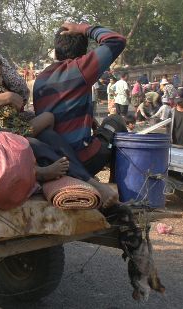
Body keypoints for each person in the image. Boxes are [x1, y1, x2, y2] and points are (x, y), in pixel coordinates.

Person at [33, 22, 127, 207]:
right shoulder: (80, 68)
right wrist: (83, 28)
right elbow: (117, 40)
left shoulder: (41, 78)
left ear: (56, 50)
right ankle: (120, 192)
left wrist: (87, 120)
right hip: (83, 160)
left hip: (51, 156)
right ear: (83, 53)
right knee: (115, 120)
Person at [0, 53, 55, 137]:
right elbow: (17, 108)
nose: (2, 78)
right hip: (17, 132)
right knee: (48, 116)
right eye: (0, 75)